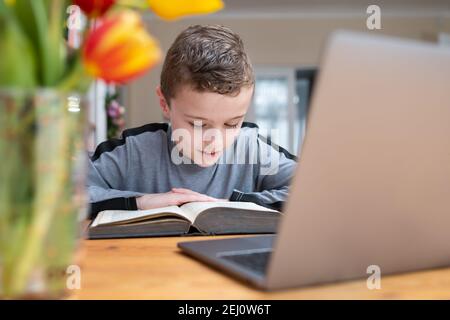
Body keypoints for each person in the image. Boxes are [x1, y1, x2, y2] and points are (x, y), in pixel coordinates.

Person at [87, 25, 297, 218]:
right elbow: (64, 188)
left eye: (232, 124)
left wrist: (236, 203)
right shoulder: (134, 150)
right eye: (199, 125)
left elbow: (317, 188)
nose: (214, 140)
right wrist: (142, 202)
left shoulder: (253, 149)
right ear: (164, 103)